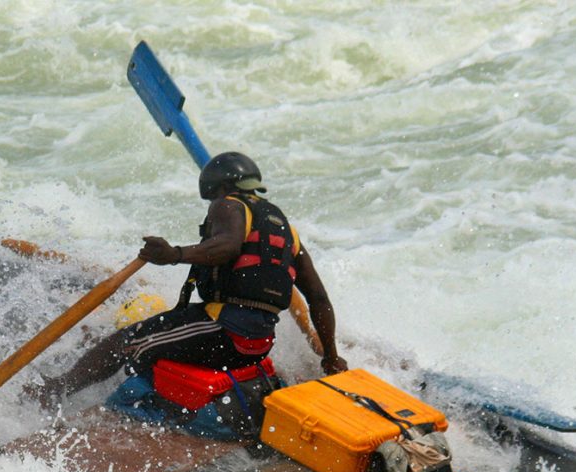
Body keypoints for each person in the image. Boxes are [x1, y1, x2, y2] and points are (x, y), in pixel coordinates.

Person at [30, 151, 347, 409]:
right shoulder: (287, 230)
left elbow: (228, 246)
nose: (212, 207)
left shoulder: (228, 204)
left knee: (126, 343)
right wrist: (331, 358)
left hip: (225, 331)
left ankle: (54, 392)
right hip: (259, 342)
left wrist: (173, 254)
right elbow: (319, 299)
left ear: (220, 189)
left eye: (212, 198)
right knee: (161, 335)